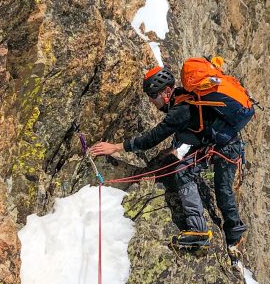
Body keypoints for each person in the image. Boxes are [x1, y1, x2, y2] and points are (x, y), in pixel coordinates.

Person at [89, 66, 248, 253]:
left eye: (153, 95)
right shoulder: (181, 97)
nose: (151, 100)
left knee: (219, 188)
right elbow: (190, 126)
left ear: (166, 92)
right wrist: (173, 148)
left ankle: (230, 236)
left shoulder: (180, 108)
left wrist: (116, 147)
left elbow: (152, 138)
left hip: (225, 148)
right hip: (213, 143)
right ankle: (207, 232)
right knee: (193, 176)